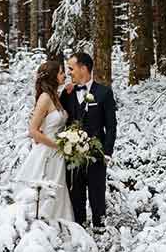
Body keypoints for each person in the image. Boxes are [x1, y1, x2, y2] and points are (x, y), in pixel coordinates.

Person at [60, 52, 117, 232]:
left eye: (71, 68)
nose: (69, 72)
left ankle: (100, 231)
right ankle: (79, 232)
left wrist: (106, 152)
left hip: (96, 155)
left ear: (83, 68)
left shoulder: (104, 92)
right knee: (75, 196)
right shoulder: (67, 94)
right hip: (72, 155)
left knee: (97, 195)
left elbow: (111, 125)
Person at [15, 60, 74, 222]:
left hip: (58, 154)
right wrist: (58, 145)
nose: (64, 75)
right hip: (48, 152)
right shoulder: (45, 98)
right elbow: (33, 131)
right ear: (53, 76)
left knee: (58, 191)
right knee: (46, 192)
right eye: (61, 72)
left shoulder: (56, 96)